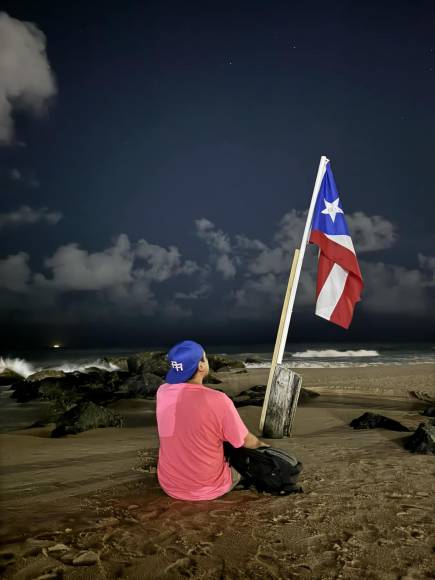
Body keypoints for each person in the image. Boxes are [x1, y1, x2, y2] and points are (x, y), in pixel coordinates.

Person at [156, 340, 269, 501]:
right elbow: (247, 441)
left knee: (210, 431)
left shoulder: (162, 392)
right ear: (201, 366)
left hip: (169, 484)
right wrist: (265, 448)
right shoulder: (218, 400)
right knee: (236, 447)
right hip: (207, 489)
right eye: (205, 357)